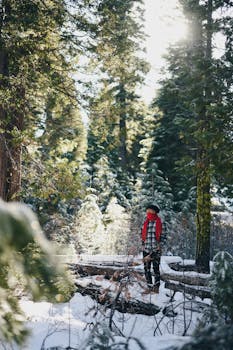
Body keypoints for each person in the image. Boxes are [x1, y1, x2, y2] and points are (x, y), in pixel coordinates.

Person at [141, 204, 165, 293]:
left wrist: (160, 245)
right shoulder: (145, 222)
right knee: (146, 269)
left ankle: (156, 288)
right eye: (147, 210)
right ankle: (149, 287)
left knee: (156, 269)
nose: (148, 212)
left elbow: (164, 236)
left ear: (155, 212)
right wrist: (142, 244)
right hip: (146, 249)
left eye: (150, 210)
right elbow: (142, 233)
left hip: (156, 249)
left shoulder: (160, 222)